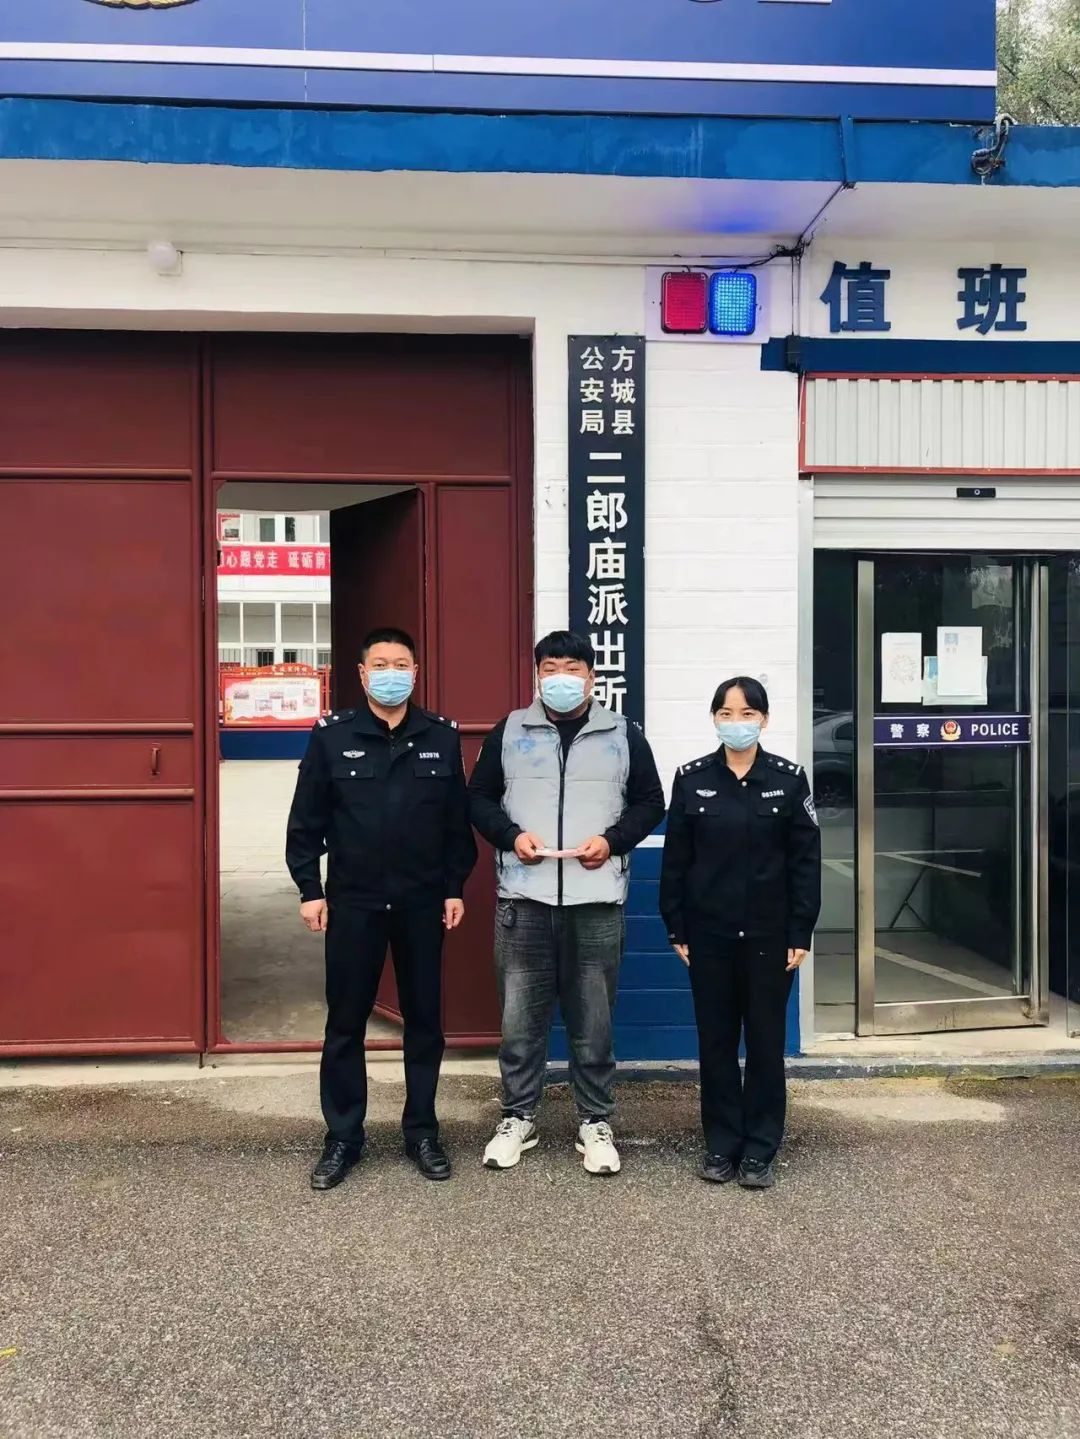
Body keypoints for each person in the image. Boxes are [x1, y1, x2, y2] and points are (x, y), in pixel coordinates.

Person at [285, 626, 477, 1191]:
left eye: (401, 665)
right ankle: (343, 1137)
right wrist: (310, 889)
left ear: (415, 673)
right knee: (345, 1021)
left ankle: (422, 1132)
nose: (391, 674)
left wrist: (453, 887)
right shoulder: (331, 736)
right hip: (355, 902)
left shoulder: (440, 736)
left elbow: (456, 824)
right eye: (381, 665)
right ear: (362, 674)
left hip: (422, 902)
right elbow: (305, 821)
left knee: (425, 1021)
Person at [468, 631, 665, 1175]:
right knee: (520, 1022)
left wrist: (613, 841)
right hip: (523, 900)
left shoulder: (623, 734)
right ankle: (518, 1117)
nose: (561, 677)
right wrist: (511, 837)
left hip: (595, 901)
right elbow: (478, 799)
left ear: (592, 677)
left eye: (573, 668)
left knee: (593, 1022)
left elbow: (651, 802)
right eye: (550, 668)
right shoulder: (510, 731)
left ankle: (595, 1121)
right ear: (537, 676)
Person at [659, 677, 821, 1190]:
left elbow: (806, 864)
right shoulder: (692, 779)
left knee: (767, 1044)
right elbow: (676, 861)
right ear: (714, 719)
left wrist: (801, 930)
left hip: (771, 938)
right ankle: (721, 1143)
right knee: (717, 1042)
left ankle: (760, 1148)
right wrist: (676, 926)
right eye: (726, 713)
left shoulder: (788, 781)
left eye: (747, 713)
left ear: (764, 720)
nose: (737, 723)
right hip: (709, 936)